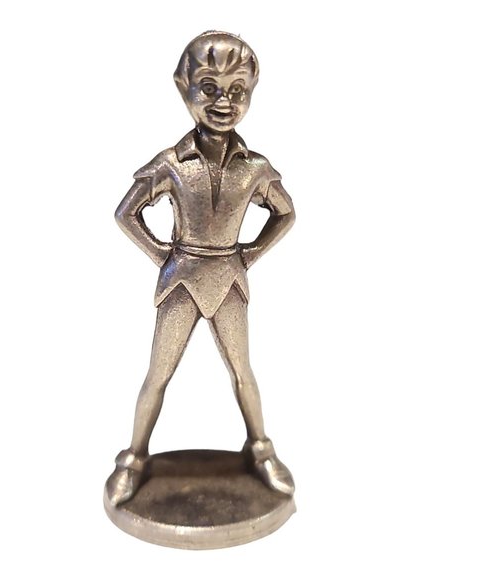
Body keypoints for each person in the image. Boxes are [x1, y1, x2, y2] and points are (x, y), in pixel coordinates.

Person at [106, 31, 296, 506]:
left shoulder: (254, 167)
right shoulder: (172, 163)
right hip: (181, 281)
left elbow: (286, 213)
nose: (224, 101)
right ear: (182, 87)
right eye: (209, 87)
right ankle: (134, 458)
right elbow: (126, 212)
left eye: (238, 90)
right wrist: (164, 255)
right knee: (158, 374)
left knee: (242, 371)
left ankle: (261, 449)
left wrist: (249, 254)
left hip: (230, 280)